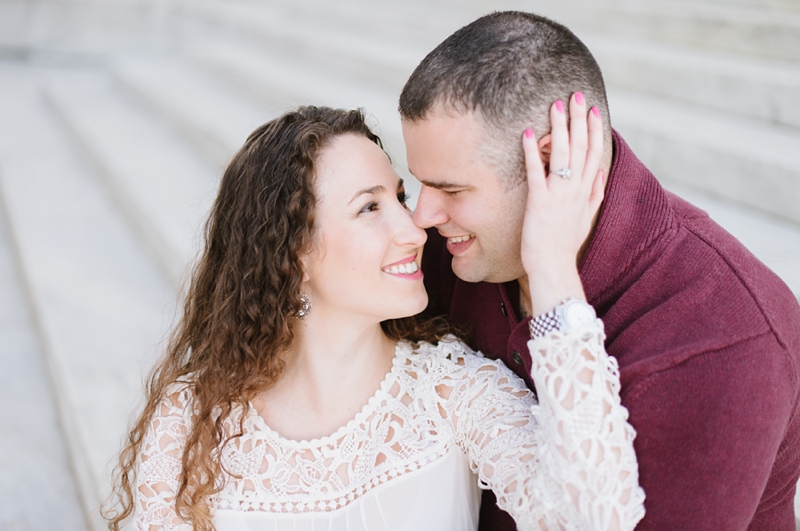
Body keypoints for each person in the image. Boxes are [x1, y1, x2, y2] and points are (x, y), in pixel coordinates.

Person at [104, 105, 644, 530]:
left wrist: (550, 266)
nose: (414, 230)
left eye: (399, 197)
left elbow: (594, 518)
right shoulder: (189, 419)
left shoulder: (454, 393)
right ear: (292, 252)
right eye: (369, 207)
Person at [399, 10, 800, 531]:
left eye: (451, 190)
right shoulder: (453, 247)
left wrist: (550, 274)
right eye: (420, 185)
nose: (421, 217)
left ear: (548, 162)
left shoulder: (727, 335)